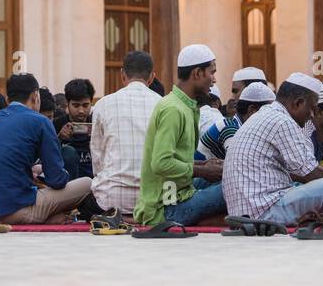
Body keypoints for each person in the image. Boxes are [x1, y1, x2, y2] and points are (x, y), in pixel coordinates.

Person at [223, 73, 323, 224]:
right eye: (312, 109)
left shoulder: (268, 114)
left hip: (249, 210)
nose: (312, 116)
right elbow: (310, 172)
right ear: (298, 103)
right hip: (265, 212)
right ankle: (322, 225)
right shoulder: (283, 122)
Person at [0, 74, 92, 224]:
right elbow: (57, 180)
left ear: (8, 99)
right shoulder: (40, 121)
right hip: (14, 210)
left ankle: (50, 218)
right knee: (88, 183)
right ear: (36, 96)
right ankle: (46, 218)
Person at [134, 44, 228, 227]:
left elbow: (179, 160)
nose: (214, 80)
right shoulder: (173, 110)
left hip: (180, 192)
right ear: (198, 73)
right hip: (167, 207)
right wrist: (202, 170)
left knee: (232, 175)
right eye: (212, 72)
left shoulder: (185, 106)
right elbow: (161, 163)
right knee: (238, 185)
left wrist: (206, 165)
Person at [89, 50, 160, 214]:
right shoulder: (163, 105)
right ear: (151, 77)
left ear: (122, 75)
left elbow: (97, 161)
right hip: (154, 201)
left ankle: (120, 217)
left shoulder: (103, 104)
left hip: (110, 200)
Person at [199, 81, 273, 160]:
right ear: (252, 110)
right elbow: (239, 162)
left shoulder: (238, 126)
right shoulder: (230, 128)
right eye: (268, 111)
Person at [58, 78, 96, 179]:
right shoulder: (57, 124)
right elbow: (48, 156)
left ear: (91, 102)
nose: (81, 111)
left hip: (94, 182)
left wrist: (98, 137)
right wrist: (59, 138)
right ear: (67, 103)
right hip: (68, 184)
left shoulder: (98, 122)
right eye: (76, 105)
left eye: (85, 105)